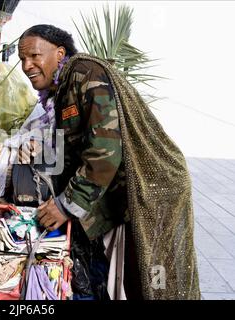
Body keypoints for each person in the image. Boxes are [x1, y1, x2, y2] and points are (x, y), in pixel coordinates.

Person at [15, 24, 200, 300]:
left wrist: (65, 206)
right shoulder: (65, 87)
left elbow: (104, 151)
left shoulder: (84, 73)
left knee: (152, 281)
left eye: (34, 56)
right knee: (128, 280)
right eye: (22, 59)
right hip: (126, 192)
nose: (27, 65)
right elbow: (79, 142)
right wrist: (41, 149)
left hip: (153, 190)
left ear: (59, 53)